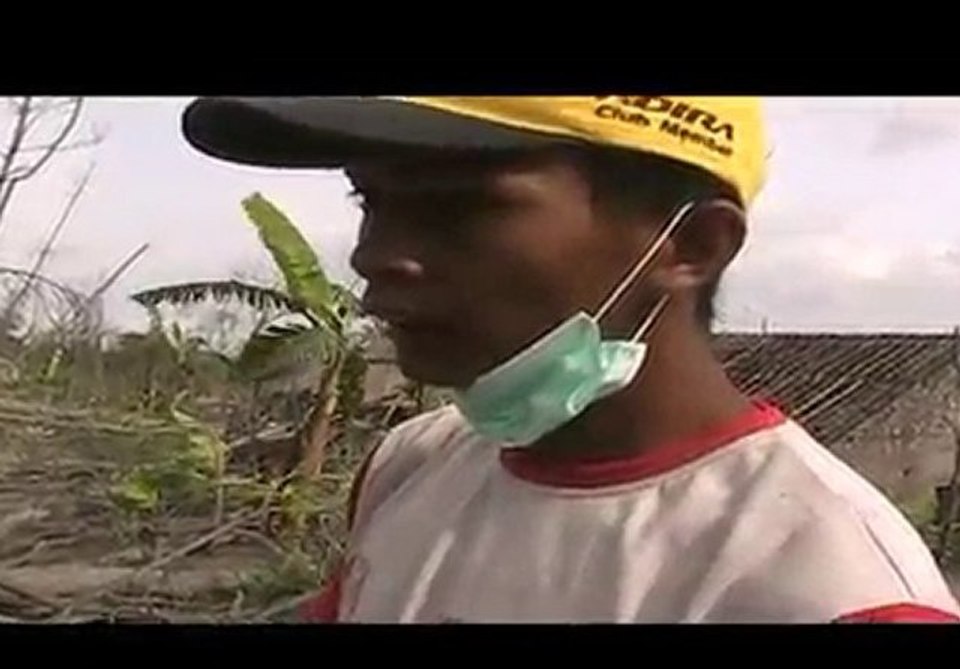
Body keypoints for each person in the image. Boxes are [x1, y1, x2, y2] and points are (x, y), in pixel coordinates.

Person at [183, 96, 960, 623]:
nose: (375, 257)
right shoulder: (410, 468)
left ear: (688, 246)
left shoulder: (825, 586)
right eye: (370, 201)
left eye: (459, 207)